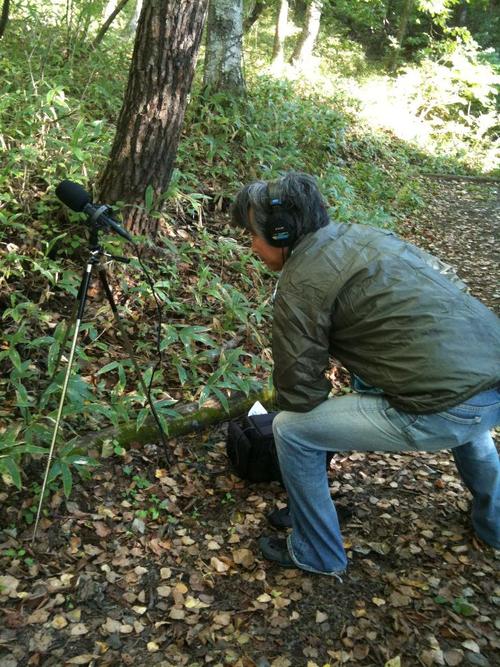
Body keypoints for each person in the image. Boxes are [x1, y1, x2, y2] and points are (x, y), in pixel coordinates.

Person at [230, 171, 500, 576]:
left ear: (283, 234)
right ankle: (494, 525)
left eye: (252, 234)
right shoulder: (361, 236)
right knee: (466, 409)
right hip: (490, 380)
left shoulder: (301, 283)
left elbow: (301, 395)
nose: (250, 245)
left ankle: (317, 551)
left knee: (291, 430)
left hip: (445, 405)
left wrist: (310, 430)